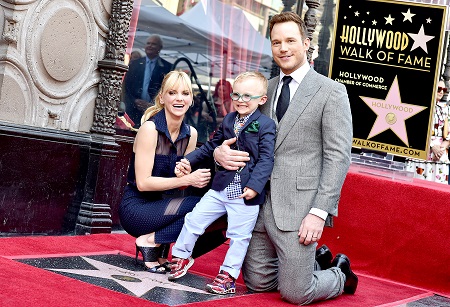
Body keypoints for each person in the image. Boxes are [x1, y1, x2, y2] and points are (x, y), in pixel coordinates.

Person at [213, 12, 356, 305]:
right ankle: (311, 263)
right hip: (258, 203)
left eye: (290, 40)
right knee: (257, 284)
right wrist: (219, 152)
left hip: (299, 209)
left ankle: (340, 273)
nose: (283, 48)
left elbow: (337, 156)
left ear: (306, 44)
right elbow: (236, 132)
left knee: (295, 293)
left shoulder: (331, 92)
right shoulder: (264, 89)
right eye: (276, 42)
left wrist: (319, 212)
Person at [167, 71, 276, 295]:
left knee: (239, 236)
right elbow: (210, 146)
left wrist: (255, 186)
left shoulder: (266, 125)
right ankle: (181, 257)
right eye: (236, 94)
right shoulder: (228, 119)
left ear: (262, 100)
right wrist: (188, 159)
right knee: (194, 220)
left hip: (245, 193)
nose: (240, 100)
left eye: (248, 96)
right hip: (220, 187)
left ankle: (227, 277)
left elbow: (266, 158)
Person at [119, 71, 227, 274]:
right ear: (162, 97)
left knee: (220, 212)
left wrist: (187, 177)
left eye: (185, 93)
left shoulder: (190, 134)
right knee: (202, 206)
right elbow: (143, 183)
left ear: (191, 99)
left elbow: (181, 186)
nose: (179, 98)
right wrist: (187, 179)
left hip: (165, 207)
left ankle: (160, 244)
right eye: (172, 92)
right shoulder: (150, 130)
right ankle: (149, 240)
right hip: (136, 209)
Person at [122, 35, 172, 127]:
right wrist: (134, 101)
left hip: (154, 112)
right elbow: (127, 87)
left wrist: (153, 105)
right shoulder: (134, 64)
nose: (150, 46)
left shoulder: (167, 67)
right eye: (148, 43)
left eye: (153, 44)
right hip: (133, 111)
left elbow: (167, 90)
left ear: (160, 48)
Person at [408, 79, 450, 183]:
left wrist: (441, 150)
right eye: (438, 88)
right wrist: (431, 146)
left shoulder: (445, 109)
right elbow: (414, 130)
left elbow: (448, 134)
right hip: (421, 150)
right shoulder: (419, 106)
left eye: (443, 89)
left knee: (437, 191)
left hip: (440, 154)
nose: (441, 92)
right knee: (416, 186)